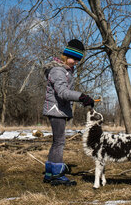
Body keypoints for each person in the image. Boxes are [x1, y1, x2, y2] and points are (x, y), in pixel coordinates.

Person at [42, 39, 94, 186]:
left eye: (78, 60)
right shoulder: (58, 71)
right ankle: (57, 175)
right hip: (56, 110)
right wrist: (81, 96)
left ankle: (50, 173)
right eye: (75, 59)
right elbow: (63, 92)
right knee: (59, 142)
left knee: (56, 142)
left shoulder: (65, 70)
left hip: (58, 109)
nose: (76, 62)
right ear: (66, 55)